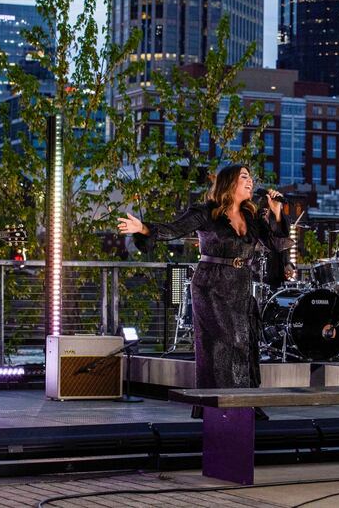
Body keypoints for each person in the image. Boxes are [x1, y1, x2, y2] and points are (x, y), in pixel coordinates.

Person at [117, 165, 289, 419]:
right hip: (212, 286)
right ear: (229, 183)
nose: (250, 181)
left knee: (244, 343)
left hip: (240, 285)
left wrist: (276, 212)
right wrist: (143, 228)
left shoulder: (252, 217)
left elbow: (276, 244)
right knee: (223, 345)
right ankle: (223, 406)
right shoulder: (207, 212)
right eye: (244, 177)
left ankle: (243, 403)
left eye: (251, 178)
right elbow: (175, 229)